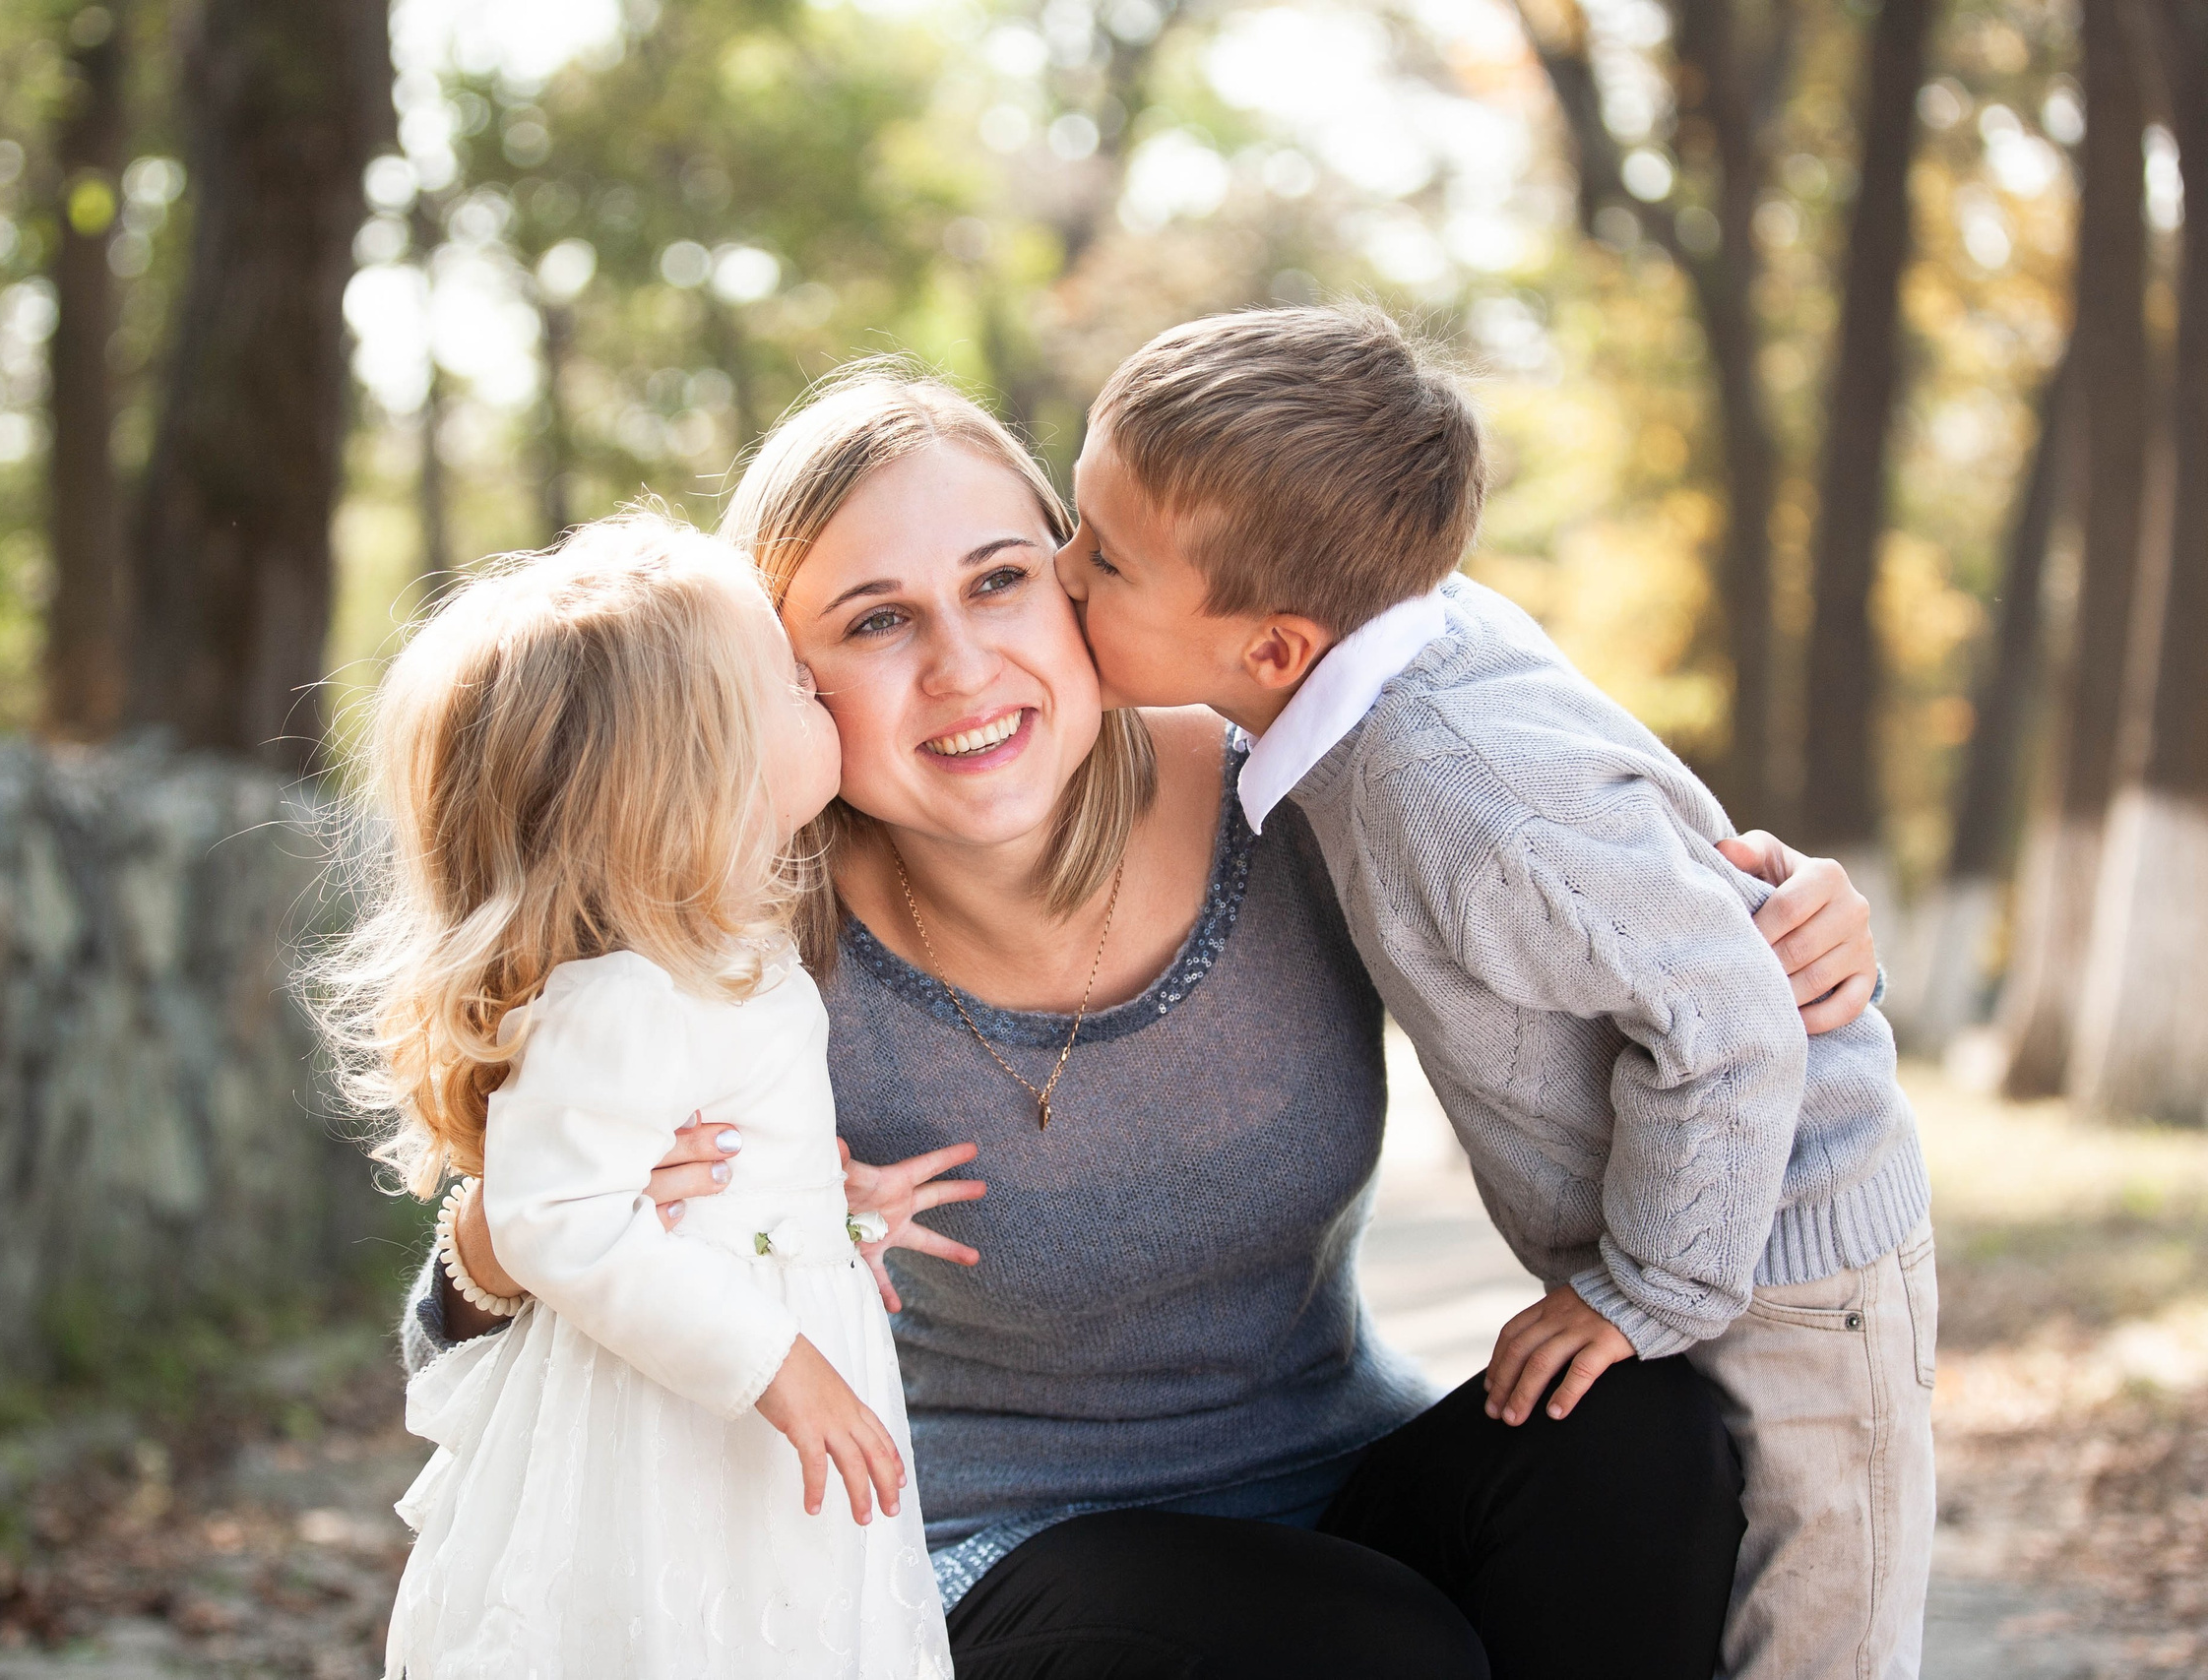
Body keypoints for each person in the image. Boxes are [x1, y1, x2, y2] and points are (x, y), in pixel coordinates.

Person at [416, 365, 1889, 1680]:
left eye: (1002, 580)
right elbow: (488, 1303)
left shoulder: (1299, 790)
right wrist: (498, 1237)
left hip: (1337, 1479)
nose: (962, 662)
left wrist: (1751, 905)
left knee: (1637, 1439)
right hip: (999, 1558)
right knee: (1366, 1647)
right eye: (876, 621)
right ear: (776, 687)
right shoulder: (748, 932)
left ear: (1079, 582)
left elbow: (1548, 803)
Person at [1057, 303, 1934, 1680]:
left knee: (1812, 1628)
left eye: (1100, 557)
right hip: (1693, 1217)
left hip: (1791, 1243)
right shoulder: (1370, 655)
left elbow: (1729, 1019)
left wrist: (1642, 1291)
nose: (1060, 573)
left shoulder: (1448, 791)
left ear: (1276, 646)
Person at [328, 514, 951, 1679]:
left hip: (747, 1426)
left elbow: (716, 1190)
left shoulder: (728, 960)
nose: (817, 686)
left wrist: (825, 1212)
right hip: (667, 1429)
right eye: (790, 683)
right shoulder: (624, 993)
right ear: (695, 771)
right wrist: (779, 1358)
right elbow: (556, 1220)